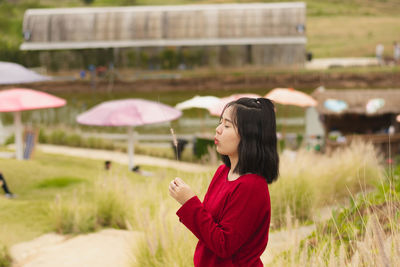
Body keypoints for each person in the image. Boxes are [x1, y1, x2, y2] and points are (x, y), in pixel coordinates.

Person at [169, 98, 279, 266]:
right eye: (220, 123)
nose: (218, 129)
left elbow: (224, 245)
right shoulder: (222, 172)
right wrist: (188, 202)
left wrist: (189, 202)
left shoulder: (252, 186)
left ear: (249, 136)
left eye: (227, 126)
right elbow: (207, 229)